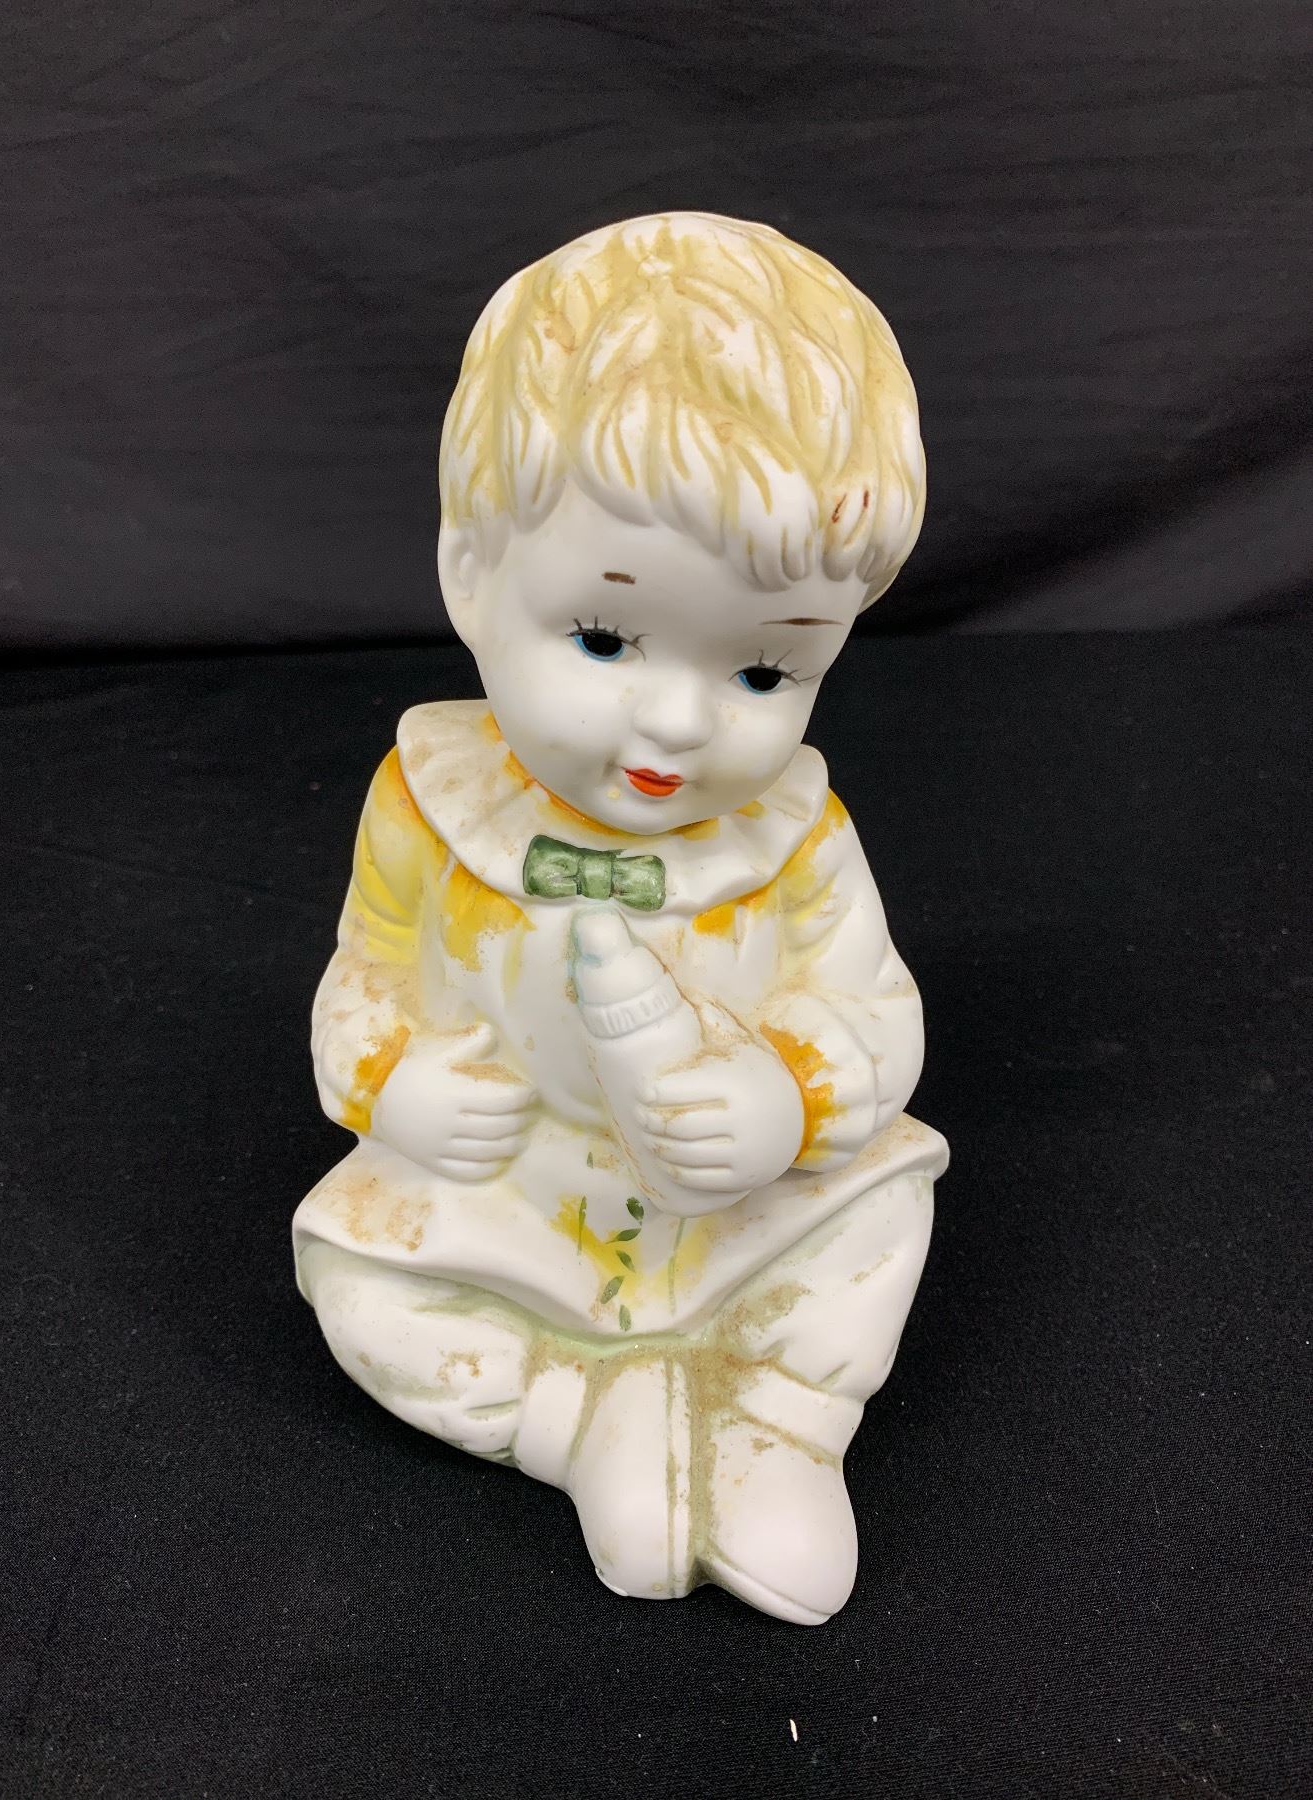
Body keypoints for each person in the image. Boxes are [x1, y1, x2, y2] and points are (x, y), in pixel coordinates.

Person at [293, 212, 948, 1625]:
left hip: (735, 1206)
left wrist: (785, 1099)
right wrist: (396, 1087)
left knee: (882, 1209)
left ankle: (779, 1426)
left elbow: (873, 1011)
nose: (679, 722)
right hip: (517, 1190)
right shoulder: (428, 807)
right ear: (473, 575)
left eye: (766, 673)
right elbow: (366, 974)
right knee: (360, 1281)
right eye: (604, 638)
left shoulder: (793, 840)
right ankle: (578, 1424)